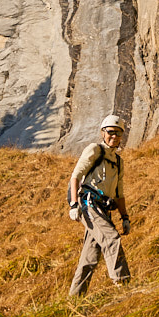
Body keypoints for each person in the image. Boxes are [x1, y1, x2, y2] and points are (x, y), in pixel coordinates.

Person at [67, 114, 131, 296]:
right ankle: (124, 285)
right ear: (103, 133)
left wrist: (125, 217)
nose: (114, 136)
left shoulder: (118, 162)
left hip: (103, 209)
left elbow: (119, 194)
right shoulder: (94, 150)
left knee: (90, 258)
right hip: (88, 204)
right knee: (112, 239)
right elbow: (76, 176)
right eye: (111, 132)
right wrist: (74, 204)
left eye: (118, 133)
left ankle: (75, 299)